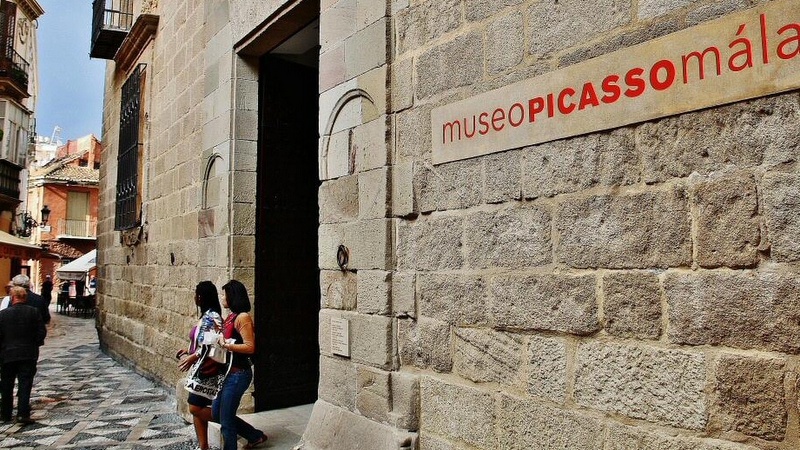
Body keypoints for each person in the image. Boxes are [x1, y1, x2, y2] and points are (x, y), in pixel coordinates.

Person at [211, 280, 268, 450]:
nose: (222, 298)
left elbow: (250, 346)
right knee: (217, 413)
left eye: (224, 294)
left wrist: (227, 345)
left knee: (226, 420)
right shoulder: (231, 317)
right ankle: (254, 436)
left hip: (238, 374)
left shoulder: (243, 317)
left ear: (232, 296)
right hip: (227, 373)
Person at [177, 281, 224, 450]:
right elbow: (200, 341)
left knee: (195, 407)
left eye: (196, 294)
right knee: (198, 407)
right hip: (199, 368)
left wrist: (193, 356)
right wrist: (189, 350)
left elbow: (211, 343)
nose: (194, 297)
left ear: (200, 296)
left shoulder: (213, 316)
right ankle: (203, 446)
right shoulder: (206, 315)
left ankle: (235, 424)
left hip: (206, 370)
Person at [0, 286, 46, 423]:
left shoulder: (3, 314)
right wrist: (34, 344)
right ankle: (22, 414)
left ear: (12, 298)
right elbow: (41, 332)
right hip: (28, 353)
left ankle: (5, 413)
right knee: (25, 384)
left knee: (6, 384)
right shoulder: (34, 312)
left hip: (7, 354)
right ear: (24, 297)